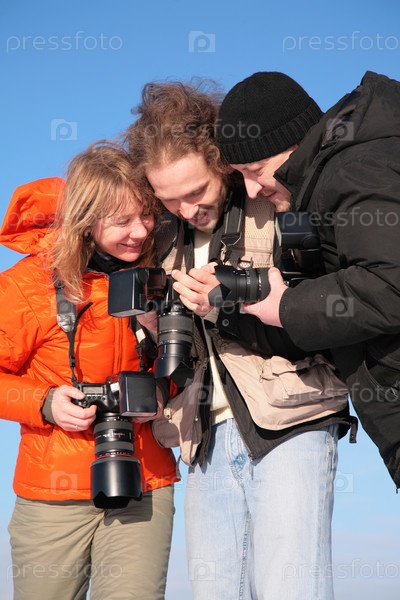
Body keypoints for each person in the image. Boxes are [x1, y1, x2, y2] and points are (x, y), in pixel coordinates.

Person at [125, 81, 356, 600]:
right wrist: (153, 332)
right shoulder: (163, 238)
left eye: (195, 192)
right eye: (169, 200)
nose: (186, 210)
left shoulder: (276, 203)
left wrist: (226, 305)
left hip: (291, 420)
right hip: (203, 435)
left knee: (291, 589)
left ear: (222, 163)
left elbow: (322, 320)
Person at [0, 141, 178, 600]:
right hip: (51, 493)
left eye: (147, 216)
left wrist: (164, 391)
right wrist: (45, 402)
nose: (140, 231)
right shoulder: (26, 286)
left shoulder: (163, 273)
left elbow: (188, 363)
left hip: (144, 480)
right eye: (121, 221)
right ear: (85, 220)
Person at [215, 70, 400, 490]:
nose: (251, 189)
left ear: (295, 143)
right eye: (239, 175)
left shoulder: (357, 169)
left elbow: (391, 285)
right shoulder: (339, 174)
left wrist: (287, 305)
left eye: (255, 169)